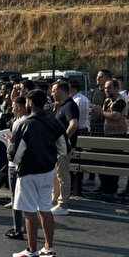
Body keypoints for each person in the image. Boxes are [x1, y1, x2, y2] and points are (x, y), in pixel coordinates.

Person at [8, 89, 67, 257]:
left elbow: (15, 155)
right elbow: (64, 147)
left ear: (30, 103)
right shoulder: (54, 121)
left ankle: (32, 251)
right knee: (45, 209)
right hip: (48, 171)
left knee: (29, 211)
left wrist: (10, 144)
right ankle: (48, 247)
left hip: (28, 172)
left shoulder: (24, 125)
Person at [50, 80, 78, 215]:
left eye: (54, 91)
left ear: (61, 91)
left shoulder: (70, 106)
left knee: (62, 175)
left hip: (63, 148)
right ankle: (55, 201)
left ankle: (62, 204)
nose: (52, 93)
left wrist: (63, 141)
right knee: (55, 174)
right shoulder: (62, 106)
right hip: (58, 147)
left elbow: (74, 124)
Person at [3, 96, 29, 239]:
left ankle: (17, 228)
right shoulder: (32, 120)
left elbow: (14, 146)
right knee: (27, 198)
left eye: (13, 106)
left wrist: (9, 141)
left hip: (14, 164)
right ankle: (27, 226)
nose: (12, 109)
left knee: (15, 197)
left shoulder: (18, 122)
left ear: (19, 106)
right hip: (27, 164)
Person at [97, 79, 128, 194]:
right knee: (103, 161)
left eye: (109, 88)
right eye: (105, 88)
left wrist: (101, 112)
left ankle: (112, 186)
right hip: (107, 134)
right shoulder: (107, 101)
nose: (106, 90)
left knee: (114, 162)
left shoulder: (120, 101)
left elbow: (115, 116)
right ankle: (104, 185)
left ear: (116, 88)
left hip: (118, 135)